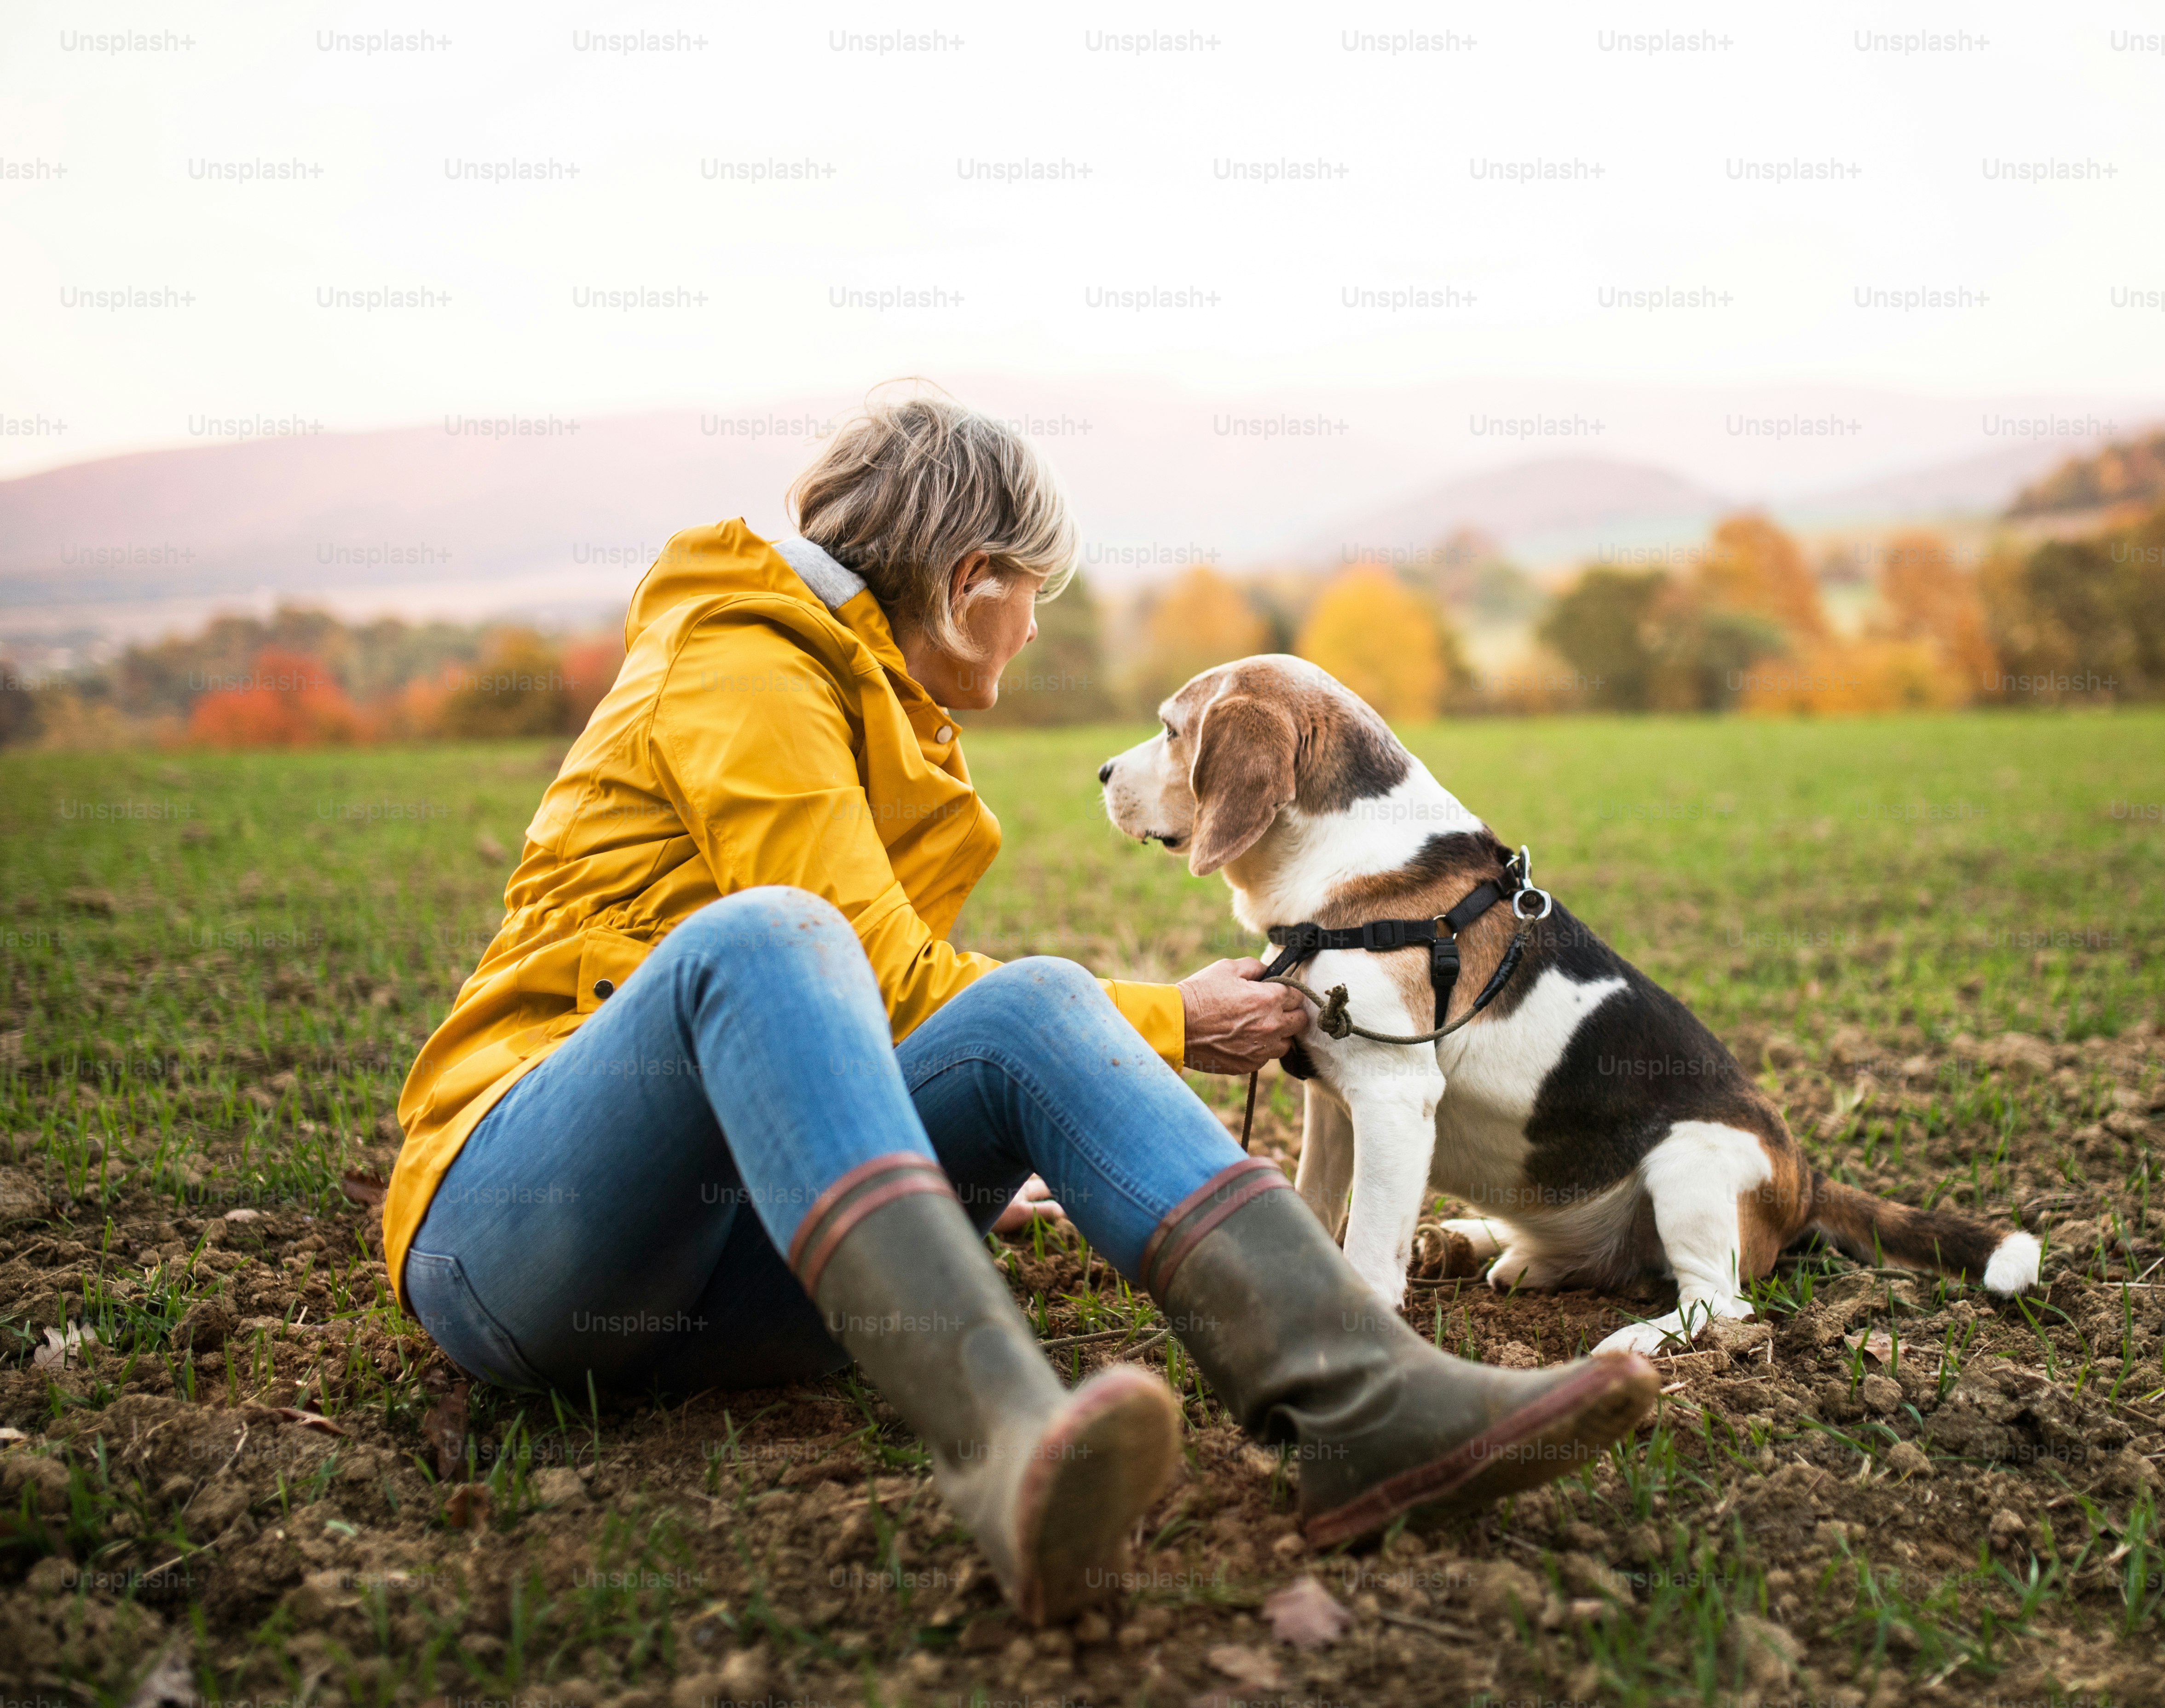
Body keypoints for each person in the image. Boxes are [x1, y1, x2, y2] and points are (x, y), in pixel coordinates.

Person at [386, 389, 1655, 1622]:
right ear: (968, 580)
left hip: (724, 1279)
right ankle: (1009, 1451)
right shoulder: (743, 670)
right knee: (772, 938)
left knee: (1036, 1001)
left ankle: (1365, 1404)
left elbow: (864, 1028)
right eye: (1032, 594)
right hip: (518, 1243)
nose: (1034, 628)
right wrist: (1173, 1020)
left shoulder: (875, 706)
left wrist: (1009, 1123)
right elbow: (865, 977)